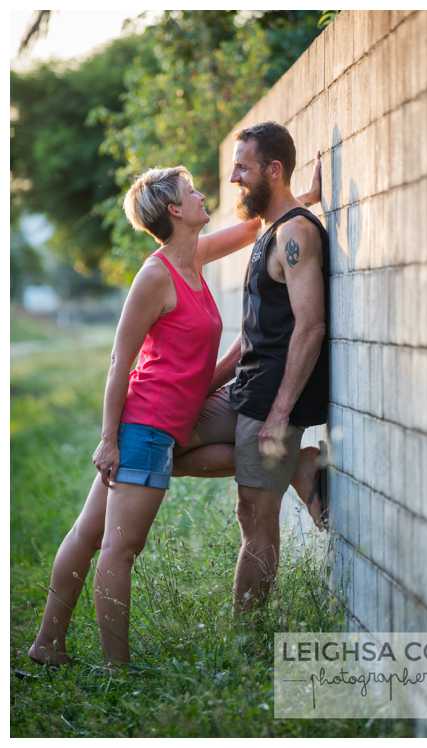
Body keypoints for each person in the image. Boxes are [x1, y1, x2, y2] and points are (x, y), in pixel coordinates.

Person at [28, 158, 322, 667]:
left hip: (173, 425)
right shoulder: (155, 274)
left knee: (90, 533)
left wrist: (303, 201)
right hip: (146, 424)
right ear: (173, 209)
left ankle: (47, 644)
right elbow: (122, 356)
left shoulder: (192, 257)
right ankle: (116, 671)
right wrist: (108, 437)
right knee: (119, 548)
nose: (202, 196)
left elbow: (259, 226)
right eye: (191, 191)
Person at [169, 121, 330, 615]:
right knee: (159, 448)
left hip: (272, 398)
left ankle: (247, 640)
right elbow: (252, 335)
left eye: (244, 166)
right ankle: (298, 468)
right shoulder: (273, 232)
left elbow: (310, 328)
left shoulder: (296, 234)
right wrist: (201, 389)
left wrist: (282, 416)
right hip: (246, 385)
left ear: (273, 170)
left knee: (255, 520)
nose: (235, 176)